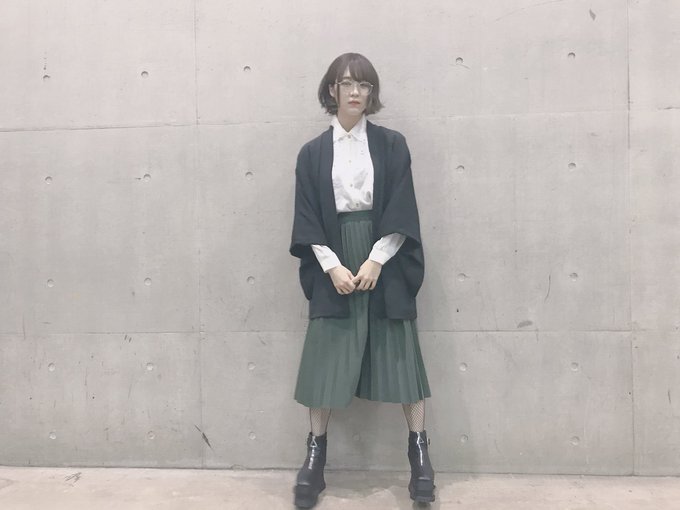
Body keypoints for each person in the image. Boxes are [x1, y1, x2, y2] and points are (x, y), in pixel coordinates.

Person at [289, 52, 435, 508]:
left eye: (364, 85)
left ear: (372, 93)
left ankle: (419, 455)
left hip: (383, 254)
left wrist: (376, 260)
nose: (356, 92)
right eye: (347, 83)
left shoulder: (391, 145)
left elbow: (401, 205)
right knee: (324, 361)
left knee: (402, 356)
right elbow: (307, 216)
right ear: (332, 90)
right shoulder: (312, 153)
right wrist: (331, 265)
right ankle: (315, 457)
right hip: (332, 255)